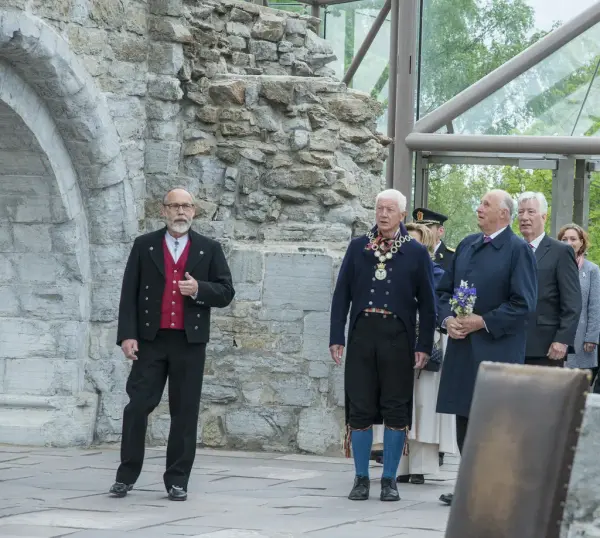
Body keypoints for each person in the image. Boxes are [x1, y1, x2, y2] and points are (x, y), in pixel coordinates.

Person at [109, 188, 235, 501]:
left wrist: (198, 289)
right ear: (163, 210)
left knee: (185, 411)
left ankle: (177, 480)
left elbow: (226, 291)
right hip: (151, 340)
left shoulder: (209, 248)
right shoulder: (144, 245)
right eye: (174, 206)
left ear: (194, 211)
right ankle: (126, 476)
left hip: (189, 342)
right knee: (138, 406)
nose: (181, 212)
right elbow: (129, 293)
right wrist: (127, 335)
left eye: (186, 206)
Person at [329, 189, 436, 502]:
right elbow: (341, 296)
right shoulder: (358, 247)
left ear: (402, 214)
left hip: (397, 337)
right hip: (363, 334)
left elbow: (428, 305)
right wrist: (337, 336)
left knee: (395, 406)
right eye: (379, 208)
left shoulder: (416, 252)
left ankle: (389, 479)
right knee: (359, 406)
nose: (383, 214)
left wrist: (424, 345)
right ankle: (361, 478)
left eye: (390, 209)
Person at [436, 189, 537, 506]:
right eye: (479, 203)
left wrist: (483, 321)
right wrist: (448, 319)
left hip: (498, 350)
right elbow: (441, 292)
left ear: (504, 215)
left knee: (496, 420)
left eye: (485, 205)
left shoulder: (518, 250)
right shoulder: (467, 244)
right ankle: (468, 484)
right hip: (463, 349)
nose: (478, 208)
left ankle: (496, 487)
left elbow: (524, 304)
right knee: (464, 416)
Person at [392, 223, 457, 485]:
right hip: (398, 339)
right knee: (399, 401)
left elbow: (441, 305)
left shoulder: (438, 273)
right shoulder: (392, 268)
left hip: (427, 340)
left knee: (424, 403)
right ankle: (398, 463)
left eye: (418, 242)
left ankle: (420, 465)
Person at [517, 192, 581, 368]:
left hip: (545, 347)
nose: (524, 217)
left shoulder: (560, 252)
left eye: (531, 212)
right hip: (512, 344)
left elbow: (572, 302)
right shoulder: (514, 249)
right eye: (521, 212)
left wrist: (562, 339)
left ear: (544, 216)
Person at [558, 224, 600, 384]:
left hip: (582, 336)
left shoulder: (592, 270)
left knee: (577, 385)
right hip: (556, 335)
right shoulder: (555, 266)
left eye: (573, 239)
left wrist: (592, 337)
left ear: (581, 242)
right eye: (564, 239)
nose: (568, 242)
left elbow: (595, 306)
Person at [413, 207, 455, 272]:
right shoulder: (411, 253)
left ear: (440, 231)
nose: (422, 232)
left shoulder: (452, 258)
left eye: (427, 228)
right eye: (419, 229)